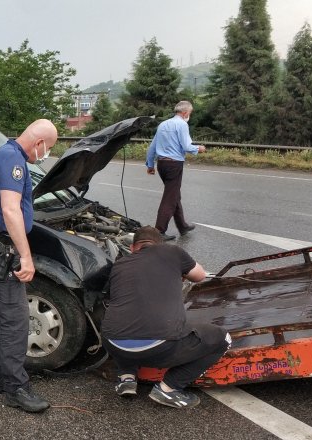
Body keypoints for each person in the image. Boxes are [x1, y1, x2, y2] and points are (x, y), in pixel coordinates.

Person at [0, 119, 57, 413]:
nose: (45, 154)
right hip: (1, 251)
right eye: (49, 149)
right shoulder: (13, 161)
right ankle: (15, 388)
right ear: (39, 143)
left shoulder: (0, 152)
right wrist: (26, 256)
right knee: (16, 320)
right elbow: (9, 208)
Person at [101, 226, 230, 408]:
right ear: (160, 244)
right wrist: (180, 271)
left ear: (133, 247)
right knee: (223, 338)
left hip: (112, 343)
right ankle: (168, 389)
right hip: (160, 347)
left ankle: (126, 378)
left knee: (127, 318)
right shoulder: (172, 252)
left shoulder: (120, 264)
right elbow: (199, 276)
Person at [146, 101, 206, 241]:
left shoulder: (163, 124)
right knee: (169, 198)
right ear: (185, 113)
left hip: (162, 164)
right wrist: (199, 149)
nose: (189, 116)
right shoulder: (182, 124)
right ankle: (159, 231)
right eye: (189, 113)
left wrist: (150, 165)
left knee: (173, 195)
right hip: (174, 164)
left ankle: (182, 226)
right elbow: (186, 146)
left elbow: (152, 146)